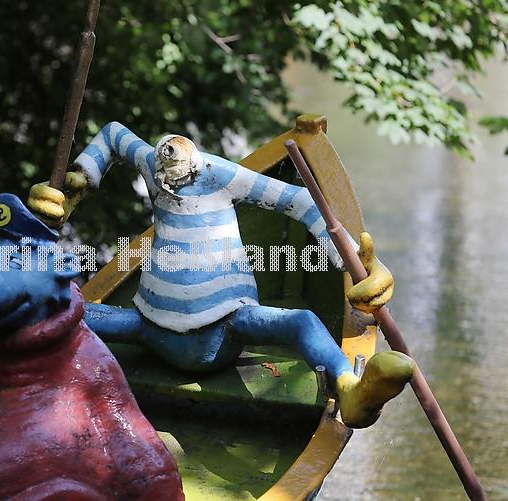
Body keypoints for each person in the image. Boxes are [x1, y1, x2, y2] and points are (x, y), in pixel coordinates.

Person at [28, 121, 415, 428]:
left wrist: (353, 264)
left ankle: (349, 389)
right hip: (151, 326)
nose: (167, 186)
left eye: (176, 180)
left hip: (227, 323)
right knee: (67, 309)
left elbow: (299, 200)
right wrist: (78, 182)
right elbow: (113, 135)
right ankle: (18, 348)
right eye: (162, 180)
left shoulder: (219, 174)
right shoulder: (151, 163)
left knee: (302, 323)